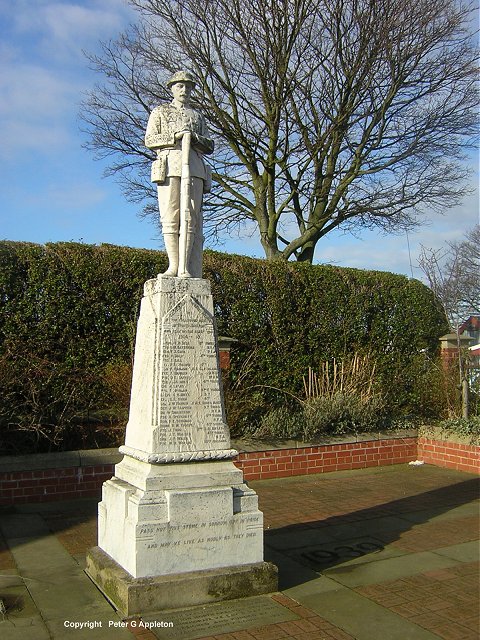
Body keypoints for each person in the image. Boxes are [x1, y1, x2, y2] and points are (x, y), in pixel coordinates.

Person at [145, 71, 214, 277]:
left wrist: (193, 138)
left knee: (190, 218)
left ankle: (186, 267)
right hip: (169, 166)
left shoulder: (197, 116)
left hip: (194, 168)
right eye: (180, 86)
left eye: (188, 87)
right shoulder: (161, 112)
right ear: (172, 88)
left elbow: (209, 144)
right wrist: (175, 136)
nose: (184, 90)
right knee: (170, 216)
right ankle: (173, 265)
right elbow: (150, 140)